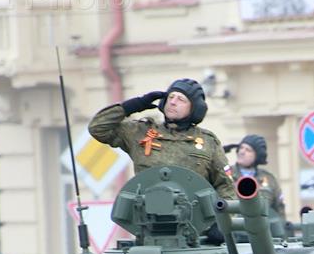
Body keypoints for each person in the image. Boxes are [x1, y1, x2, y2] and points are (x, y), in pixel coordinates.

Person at [88, 78, 235, 200]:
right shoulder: (140, 132)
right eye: (170, 97)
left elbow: (225, 186)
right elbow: (97, 128)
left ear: (194, 108)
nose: (173, 102)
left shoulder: (207, 141)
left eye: (181, 99)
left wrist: (223, 220)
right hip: (148, 217)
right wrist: (132, 106)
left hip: (195, 220)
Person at [223, 134, 287, 222]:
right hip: (233, 226)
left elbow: (279, 209)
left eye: (248, 150)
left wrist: (283, 226)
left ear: (257, 156)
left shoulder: (269, 179)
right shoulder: (225, 174)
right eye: (241, 148)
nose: (242, 152)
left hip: (262, 227)